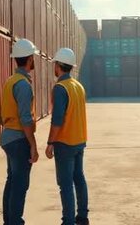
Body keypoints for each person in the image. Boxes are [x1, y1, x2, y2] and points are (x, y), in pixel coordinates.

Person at [45, 48, 89, 225]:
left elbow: (57, 120)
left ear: (58, 65)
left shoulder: (60, 88)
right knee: (79, 178)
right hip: (80, 140)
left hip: (65, 142)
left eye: (54, 64)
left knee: (65, 184)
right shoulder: (78, 86)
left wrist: (50, 143)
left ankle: (68, 221)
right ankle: (83, 217)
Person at [0, 38, 40, 225]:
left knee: (12, 181)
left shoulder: (11, 81)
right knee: (20, 184)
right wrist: (33, 145)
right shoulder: (23, 85)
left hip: (8, 136)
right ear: (30, 59)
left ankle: (9, 221)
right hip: (18, 139)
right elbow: (25, 119)